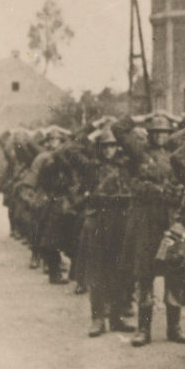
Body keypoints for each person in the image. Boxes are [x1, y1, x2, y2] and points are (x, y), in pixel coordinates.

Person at [111, 114, 185, 347]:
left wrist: (178, 119)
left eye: (164, 131)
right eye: (155, 131)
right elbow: (118, 127)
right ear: (149, 133)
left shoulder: (176, 152)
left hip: (169, 219)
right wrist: (141, 117)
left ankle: (173, 328)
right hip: (146, 221)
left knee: (174, 272)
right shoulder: (139, 151)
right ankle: (143, 329)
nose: (160, 136)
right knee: (144, 274)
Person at [57, 127, 136, 337]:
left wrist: (118, 132)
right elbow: (67, 150)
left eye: (112, 146)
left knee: (119, 270)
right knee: (98, 272)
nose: (109, 150)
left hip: (120, 220)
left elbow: (135, 148)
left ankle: (116, 317)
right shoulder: (90, 167)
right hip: (98, 220)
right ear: (99, 148)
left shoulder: (125, 165)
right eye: (105, 146)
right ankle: (98, 319)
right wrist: (91, 129)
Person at [21, 126, 76, 284]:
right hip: (50, 201)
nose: (53, 143)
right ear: (46, 143)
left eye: (56, 139)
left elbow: (76, 178)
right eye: (50, 140)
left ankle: (75, 271)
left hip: (68, 201)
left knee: (73, 240)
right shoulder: (43, 158)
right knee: (47, 242)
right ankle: (54, 272)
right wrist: (31, 195)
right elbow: (33, 176)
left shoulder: (69, 156)